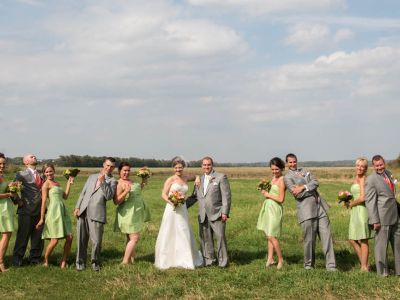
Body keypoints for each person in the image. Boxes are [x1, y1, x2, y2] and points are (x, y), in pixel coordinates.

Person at [283, 153, 336, 271]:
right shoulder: (287, 178)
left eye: (294, 161)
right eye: (290, 162)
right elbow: (297, 194)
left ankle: (331, 266)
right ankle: (309, 265)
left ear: (297, 161)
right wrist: (309, 188)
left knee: (327, 237)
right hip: (306, 211)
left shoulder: (305, 170)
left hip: (320, 208)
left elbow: (316, 182)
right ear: (287, 163)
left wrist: (303, 187)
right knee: (309, 240)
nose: (293, 164)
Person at [154, 156, 203, 269]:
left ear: (183, 167)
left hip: (183, 209)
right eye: (176, 168)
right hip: (172, 208)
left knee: (183, 229)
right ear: (173, 168)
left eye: (180, 167)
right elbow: (163, 194)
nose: (178, 170)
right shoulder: (170, 179)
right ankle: (167, 259)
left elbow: (196, 176)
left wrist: (197, 178)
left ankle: (185, 258)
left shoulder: (186, 178)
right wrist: (172, 203)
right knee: (169, 231)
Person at [74, 157, 117, 271]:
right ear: (103, 164)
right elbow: (83, 192)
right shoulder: (92, 177)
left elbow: (109, 196)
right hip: (83, 211)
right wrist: (77, 206)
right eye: (107, 165)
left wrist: (103, 181)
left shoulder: (113, 181)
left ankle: (95, 263)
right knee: (81, 240)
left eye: (112, 166)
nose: (109, 168)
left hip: (97, 213)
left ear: (114, 168)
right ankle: (80, 263)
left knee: (97, 241)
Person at [365, 155, 400, 276]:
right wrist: (375, 220)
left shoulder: (389, 173)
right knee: (381, 247)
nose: (380, 167)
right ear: (373, 166)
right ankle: (383, 273)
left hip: (395, 215)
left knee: (398, 245)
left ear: (384, 163)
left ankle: (399, 271)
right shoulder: (371, 179)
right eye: (377, 165)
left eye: (381, 164)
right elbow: (370, 202)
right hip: (382, 217)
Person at [194, 156, 232, 268]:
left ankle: (223, 262)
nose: (206, 167)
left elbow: (227, 196)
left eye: (208, 164)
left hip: (217, 213)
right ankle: (209, 260)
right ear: (201, 166)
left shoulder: (221, 177)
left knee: (220, 238)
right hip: (203, 214)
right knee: (206, 239)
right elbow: (196, 196)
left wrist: (225, 212)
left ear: (212, 165)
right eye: (204, 165)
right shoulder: (199, 179)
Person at [35, 164, 74, 268]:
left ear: (54, 171)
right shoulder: (46, 184)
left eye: (50, 171)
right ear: (44, 173)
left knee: (70, 237)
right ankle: (46, 260)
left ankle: (63, 261)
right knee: (55, 240)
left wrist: (69, 183)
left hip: (63, 212)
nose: (49, 173)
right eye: (46, 172)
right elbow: (43, 202)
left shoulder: (57, 183)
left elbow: (65, 196)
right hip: (53, 213)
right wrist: (42, 219)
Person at [113, 162, 150, 265]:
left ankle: (131, 260)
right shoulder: (119, 183)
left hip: (136, 212)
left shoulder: (131, 181)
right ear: (119, 171)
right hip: (127, 213)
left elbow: (137, 191)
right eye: (124, 170)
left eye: (128, 170)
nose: (127, 172)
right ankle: (124, 262)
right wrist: (125, 192)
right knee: (135, 238)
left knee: (130, 238)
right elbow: (116, 201)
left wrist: (144, 178)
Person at [12, 153, 44, 266]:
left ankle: (34, 259)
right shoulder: (21, 174)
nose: (34, 157)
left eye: (35, 156)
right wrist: (18, 201)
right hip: (26, 211)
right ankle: (17, 260)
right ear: (25, 162)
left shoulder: (41, 174)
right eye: (31, 157)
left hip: (40, 211)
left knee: (38, 237)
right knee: (22, 237)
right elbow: (12, 189)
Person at [256, 157, 286, 269]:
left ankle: (280, 259)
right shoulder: (273, 178)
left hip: (275, 209)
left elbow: (281, 199)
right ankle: (270, 258)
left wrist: (268, 195)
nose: (274, 171)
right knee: (268, 235)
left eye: (277, 169)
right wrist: (263, 190)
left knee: (272, 235)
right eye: (272, 169)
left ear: (282, 168)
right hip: (267, 207)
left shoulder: (282, 180)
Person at [345, 157, 372, 272]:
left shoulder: (363, 179)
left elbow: (363, 197)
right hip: (355, 211)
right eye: (358, 165)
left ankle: (364, 266)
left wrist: (352, 204)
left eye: (363, 166)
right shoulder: (357, 178)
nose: (360, 168)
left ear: (366, 169)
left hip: (361, 211)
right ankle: (365, 264)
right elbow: (356, 195)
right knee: (352, 239)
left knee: (363, 239)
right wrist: (346, 197)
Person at [0, 153, 17, 272]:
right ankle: (0, 262)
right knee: (6, 234)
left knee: (6, 234)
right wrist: (9, 194)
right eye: (0, 163)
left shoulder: (2, 176)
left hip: (5, 208)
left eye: (3, 164)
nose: (2, 166)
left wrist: (12, 186)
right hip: (2, 209)